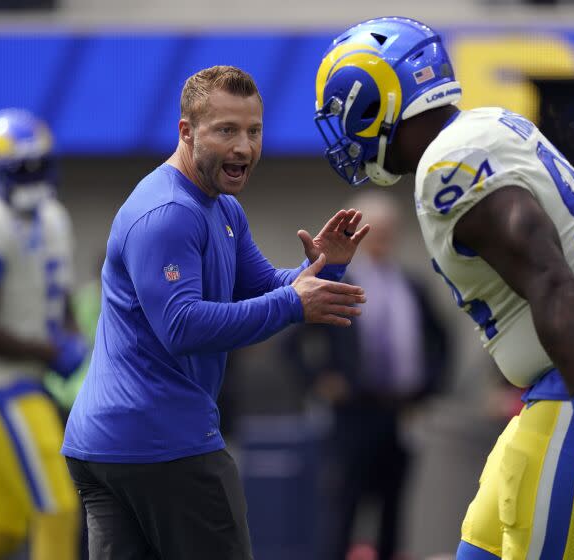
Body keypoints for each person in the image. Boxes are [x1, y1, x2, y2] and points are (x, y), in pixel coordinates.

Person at [313, 18, 574, 560]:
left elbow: (555, 279)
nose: (348, 135)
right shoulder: (491, 125)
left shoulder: (449, 167)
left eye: (347, 114)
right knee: (481, 549)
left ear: (382, 97)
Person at [61, 65, 369, 560]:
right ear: (187, 132)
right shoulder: (169, 213)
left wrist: (321, 269)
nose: (244, 147)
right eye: (226, 130)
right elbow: (182, 326)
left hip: (107, 447)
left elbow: (264, 285)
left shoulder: (222, 208)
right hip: (162, 444)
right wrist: (294, 303)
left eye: (253, 131)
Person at [289, 190, 450, 560]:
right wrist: (320, 379)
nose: (381, 240)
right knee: (342, 510)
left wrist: (429, 386)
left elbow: (442, 339)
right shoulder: (335, 284)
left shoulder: (411, 285)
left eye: (388, 231)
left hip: (402, 414)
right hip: (352, 414)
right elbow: (294, 342)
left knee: (394, 510)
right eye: (373, 232)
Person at [0, 108, 86, 559]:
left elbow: (58, 297)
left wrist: (70, 334)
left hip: (29, 382)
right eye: (21, 167)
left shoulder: (55, 217)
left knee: (2, 527)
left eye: (38, 165)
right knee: (57, 508)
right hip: (1, 385)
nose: (32, 176)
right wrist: (45, 348)